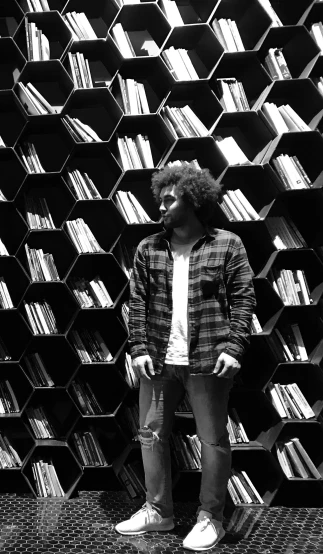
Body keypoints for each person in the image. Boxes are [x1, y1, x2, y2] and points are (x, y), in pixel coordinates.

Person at [114, 164, 256, 551]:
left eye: (168, 199)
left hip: (209, 360)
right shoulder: (148, 248)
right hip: (158, 361)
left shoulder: (227, 244)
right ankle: (158, 512)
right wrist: (139, 348)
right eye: (159, 199)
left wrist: (234, 347)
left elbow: (243, 299)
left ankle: (212, 518)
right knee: (149, 436)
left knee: (212, 440)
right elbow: (137, 302)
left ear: (192, 200)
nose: (160, 206)